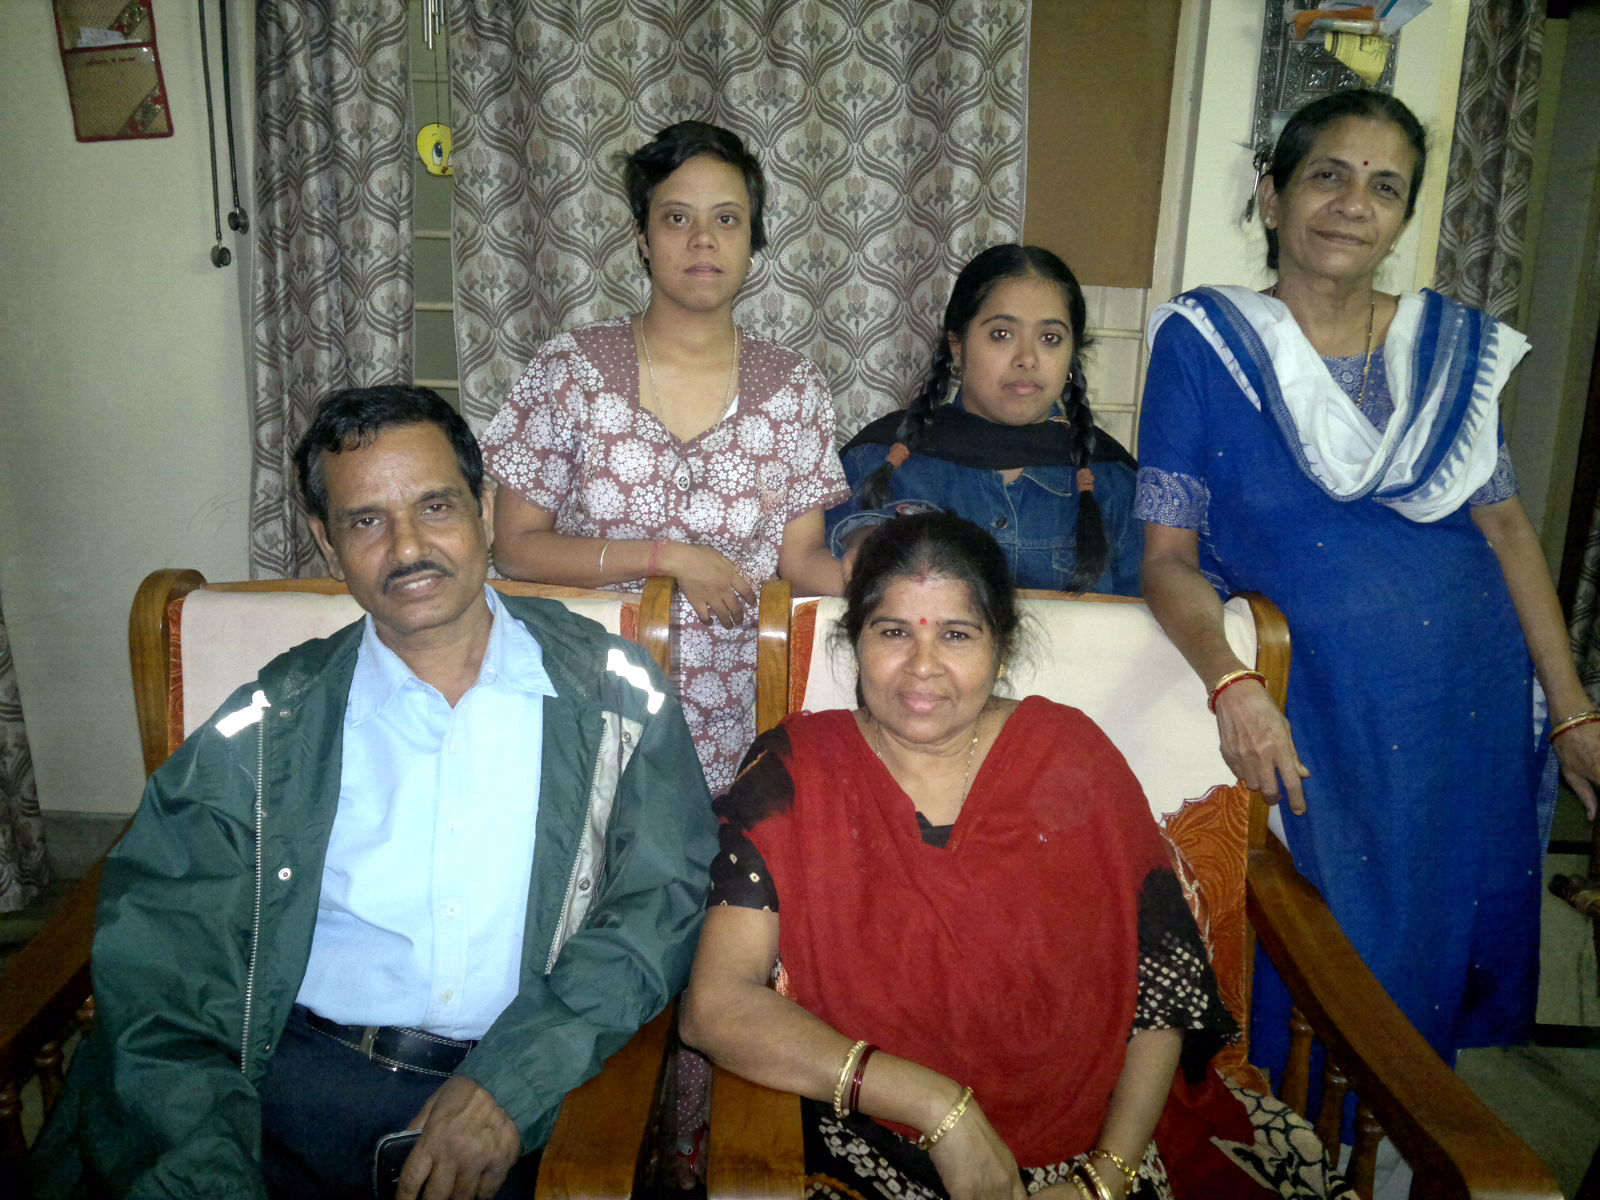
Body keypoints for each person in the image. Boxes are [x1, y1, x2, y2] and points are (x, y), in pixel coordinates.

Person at [28, 387, 716, 1199]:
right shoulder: (271, 723)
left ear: (485, 509)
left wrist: (512, 1083)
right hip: (293, 1091)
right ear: (326, 541)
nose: (408, 546)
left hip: (529, 1088)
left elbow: (657, 907)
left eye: (435, 506)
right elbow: (167, 965)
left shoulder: (614, 697)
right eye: (366, 521)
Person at [682, 512, 1354, 1199]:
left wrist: (1106, 1178)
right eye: (892, 632)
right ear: (854, 641)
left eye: (956, 634)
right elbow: (715, 1004)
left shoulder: (1071, 757)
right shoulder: (796, 772)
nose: (923, 667)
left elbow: (1163, 991)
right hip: (873, 1139)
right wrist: (939, 1107)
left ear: (999, 647)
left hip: (1097, 1148)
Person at [1135, 88, 1600, 1080]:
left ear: (1401, 217)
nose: (1353, 203)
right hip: (1319, 712)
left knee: (1429, 946)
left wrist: (1569, 711)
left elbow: (1510, 529)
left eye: (1383, 186)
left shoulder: (1448, 353)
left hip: (1463, 708)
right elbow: (1167, 558)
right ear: (1270, 197)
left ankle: (1399, 1162)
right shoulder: (1205, 345)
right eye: (1327, 175)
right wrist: (1231, 682)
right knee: (1322, 947)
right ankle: (1300, 1152)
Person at [482, 120, 849, 795]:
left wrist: (890, 573)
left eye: (727, 220)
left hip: (742, 722)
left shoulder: (795, 389)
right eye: (677, 217)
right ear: (644, 239)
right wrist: (668, 558)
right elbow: (515, 549)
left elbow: (800, 563)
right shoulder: (573, 370)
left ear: (753, 240)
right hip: (583, 708)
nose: (702, 239)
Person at [826, 244, 1141, 595]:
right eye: (1001, 334)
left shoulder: (1113, 481)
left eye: (1050, 338)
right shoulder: (881, 459)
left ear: (1072, 355)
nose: (1027, 358)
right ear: (958, 346)